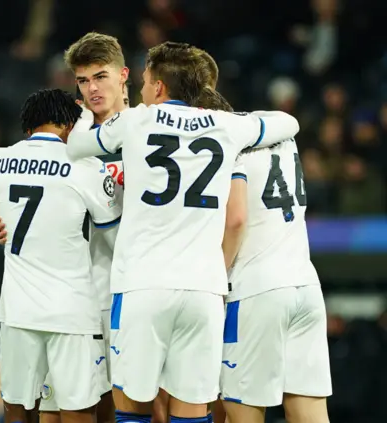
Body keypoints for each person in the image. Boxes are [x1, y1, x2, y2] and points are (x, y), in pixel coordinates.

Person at [66, 42, 300, 423]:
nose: (142, 89)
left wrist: (80, 120)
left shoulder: (137, 120)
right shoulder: (227, 125)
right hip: (203, 290)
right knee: (193, 409)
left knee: (133, 408)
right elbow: (289, 123)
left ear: (159, 87)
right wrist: (233, 122)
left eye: (144, 81)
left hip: (143, 285)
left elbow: (78, 146)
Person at [0, 32, 130, 423]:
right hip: (75, 300)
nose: (91, 89)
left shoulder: (143, 130)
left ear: (123, 76)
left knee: (139, 406)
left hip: (124, 290)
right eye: (83, 81)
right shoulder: (77, 135)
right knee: (65, 409)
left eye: (99, 77)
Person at [218, 123, 332, 423]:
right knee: (311, 416)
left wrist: (215, 277)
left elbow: (236, 221)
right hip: (305, 284)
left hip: (255, 289)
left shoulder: (225, 144)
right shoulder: (284, 138)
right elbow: (287, 119)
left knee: (243, 414)